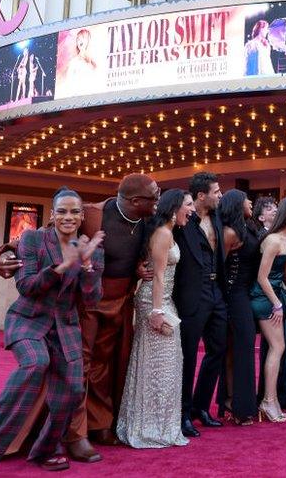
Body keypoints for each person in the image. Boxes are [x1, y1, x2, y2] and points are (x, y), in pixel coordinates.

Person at [0, 174, 159, 461]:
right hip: (83, 303)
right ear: (136, 200)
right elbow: (46, 236)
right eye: (155, 195)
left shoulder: (147, 221)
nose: (159, 199)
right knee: (78, 366)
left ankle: (101, 423)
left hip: (120, 301)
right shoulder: (91, 214)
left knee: (107, 364)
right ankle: (75, 435)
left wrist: (140, 269)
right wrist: (3, 256)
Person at [0, 188, 104, 476]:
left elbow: (91, 300)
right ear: (52, 214)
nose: (68, 217)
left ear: (82, 216)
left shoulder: (93, 250)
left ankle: (46, 448)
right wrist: (60, 267)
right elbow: (27, 286)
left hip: (65, 326)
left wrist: (86, 266)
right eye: (62, 211)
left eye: (74, 211)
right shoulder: (33, 239)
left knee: (72, 390)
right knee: (36, 363)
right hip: (28, 320)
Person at [117, 189, 194, 448]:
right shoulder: (162, 233)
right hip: (154, 301)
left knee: (167, 365)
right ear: (175, 208)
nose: (192, 210)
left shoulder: (169, 232)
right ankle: (149, 427)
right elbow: (159, 276)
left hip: (162, 300)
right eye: (189, 204)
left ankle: (158, 425)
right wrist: (157, 312)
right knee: (158, 365)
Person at [173, 172, 227, 437]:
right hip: (193, 292)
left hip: (217, 290)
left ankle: (201, 407)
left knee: (218, 348)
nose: (220, 195)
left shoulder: (217, 217)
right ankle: (182, 414)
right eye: (216, 191)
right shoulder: (183, 220)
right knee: (189, 353)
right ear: (201, 195)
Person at [251, 197, 286, 422]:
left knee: (278, 348)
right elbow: (262, 277)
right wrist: (277, 303)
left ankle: (271, 400)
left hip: (273, 296)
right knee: (277, 347)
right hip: (264, 298)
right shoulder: (274, 240)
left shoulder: (285, 238)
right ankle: (268, 401)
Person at [216, 190, 260, 425]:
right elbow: (218, 268)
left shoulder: (247, 226)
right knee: (240, 348)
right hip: (234, 295)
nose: (251, 202)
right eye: (246, 199)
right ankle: (236, 404)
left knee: (239, 349)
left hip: (245, 292)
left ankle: (234, 402)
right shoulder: (230, 232)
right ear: (236, 204)